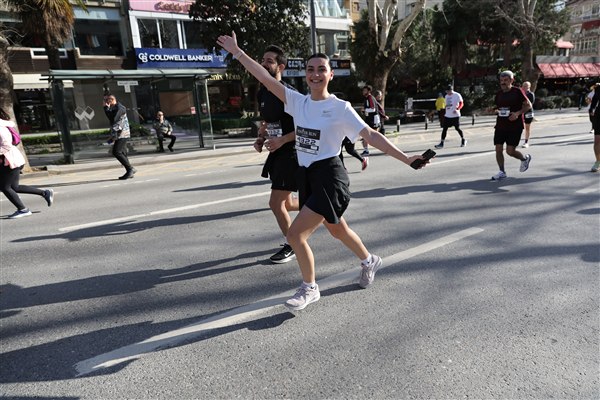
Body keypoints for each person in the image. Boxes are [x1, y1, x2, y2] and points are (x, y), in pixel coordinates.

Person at [217, 31, 428, 311]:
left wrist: (406, 158)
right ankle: (370, 260)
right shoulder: (297, 102)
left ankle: (309, 288)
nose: (315, 74)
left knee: (295, 235)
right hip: (306, 176)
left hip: (330, 177)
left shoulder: (340, 108)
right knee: (337, 229)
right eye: (310, 69)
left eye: (321, 69)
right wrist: (237, 52)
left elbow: (371, 135)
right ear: (305, 74)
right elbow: (265, 78)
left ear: (331, 75)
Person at [253, 44, 300, 264]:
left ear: (280, 67)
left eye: (269, 61)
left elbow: (306, 127)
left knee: (275, 203)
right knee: (287, 204)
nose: (263, 64)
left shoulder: (289, 94)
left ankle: (293, 244)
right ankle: (317, 207)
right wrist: (261, 137)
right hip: (277, 151)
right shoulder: (262, 91)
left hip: (292, 152)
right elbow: (268, 122)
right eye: (263, 60)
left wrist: (282, 140)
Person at [0, 107, 54, 219]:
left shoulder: (1, 126)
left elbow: (6, 145)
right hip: (11, 160)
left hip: (11, 161)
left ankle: (23, 209)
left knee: (5, 187)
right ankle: (45, 193)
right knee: (14, 187)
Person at [490, 70, 533, 181]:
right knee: (498, 149)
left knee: (510, 151)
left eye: (505, 80)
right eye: (501, 80)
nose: (503, 82)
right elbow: (497, 107)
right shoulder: (499, 94)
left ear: (512, 80)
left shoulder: (517, 91)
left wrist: (517, 113)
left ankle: (524, 159)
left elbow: (528, 105)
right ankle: (502, 172)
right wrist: (493, 110)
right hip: (500, 125)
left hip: (515, 126)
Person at [103, 94, 136, 180]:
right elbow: (112, 120)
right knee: (123, 153)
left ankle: (130, 169)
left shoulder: (120, 108)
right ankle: (130, 170)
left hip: (123, 134)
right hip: (119, 134)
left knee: (116, 152)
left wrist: (106, 108)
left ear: (111, 100)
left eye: (106, 101)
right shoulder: (114, 108)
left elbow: (113, 119)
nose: (105, 102)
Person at [360, 85, 378, 156]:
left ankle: (366, 150)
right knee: (367, 135)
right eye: (363, 90)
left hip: (372, 119)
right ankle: (366, 149)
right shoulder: (367, 98)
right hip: (369, 119)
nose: (363, 92)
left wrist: (364, 110)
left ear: (369, 91)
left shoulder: (370, 98)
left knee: (371, 135)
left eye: (365, 90)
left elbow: (373, 109)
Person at [588, 84, 600, 172]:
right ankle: (598, 161)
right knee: (597, 141)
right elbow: (595, 99)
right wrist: (591, 109)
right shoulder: (598, 89)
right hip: (599, 116)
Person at [521, 81, 535, 148]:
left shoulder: (531, 94)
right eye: (523, 86)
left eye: (526, 86)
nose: (524, 87)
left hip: (528, 113)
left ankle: (526, 142)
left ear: (529, 87)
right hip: (521, 112)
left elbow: (530, 105)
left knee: (527, 127)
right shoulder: (521, 94)